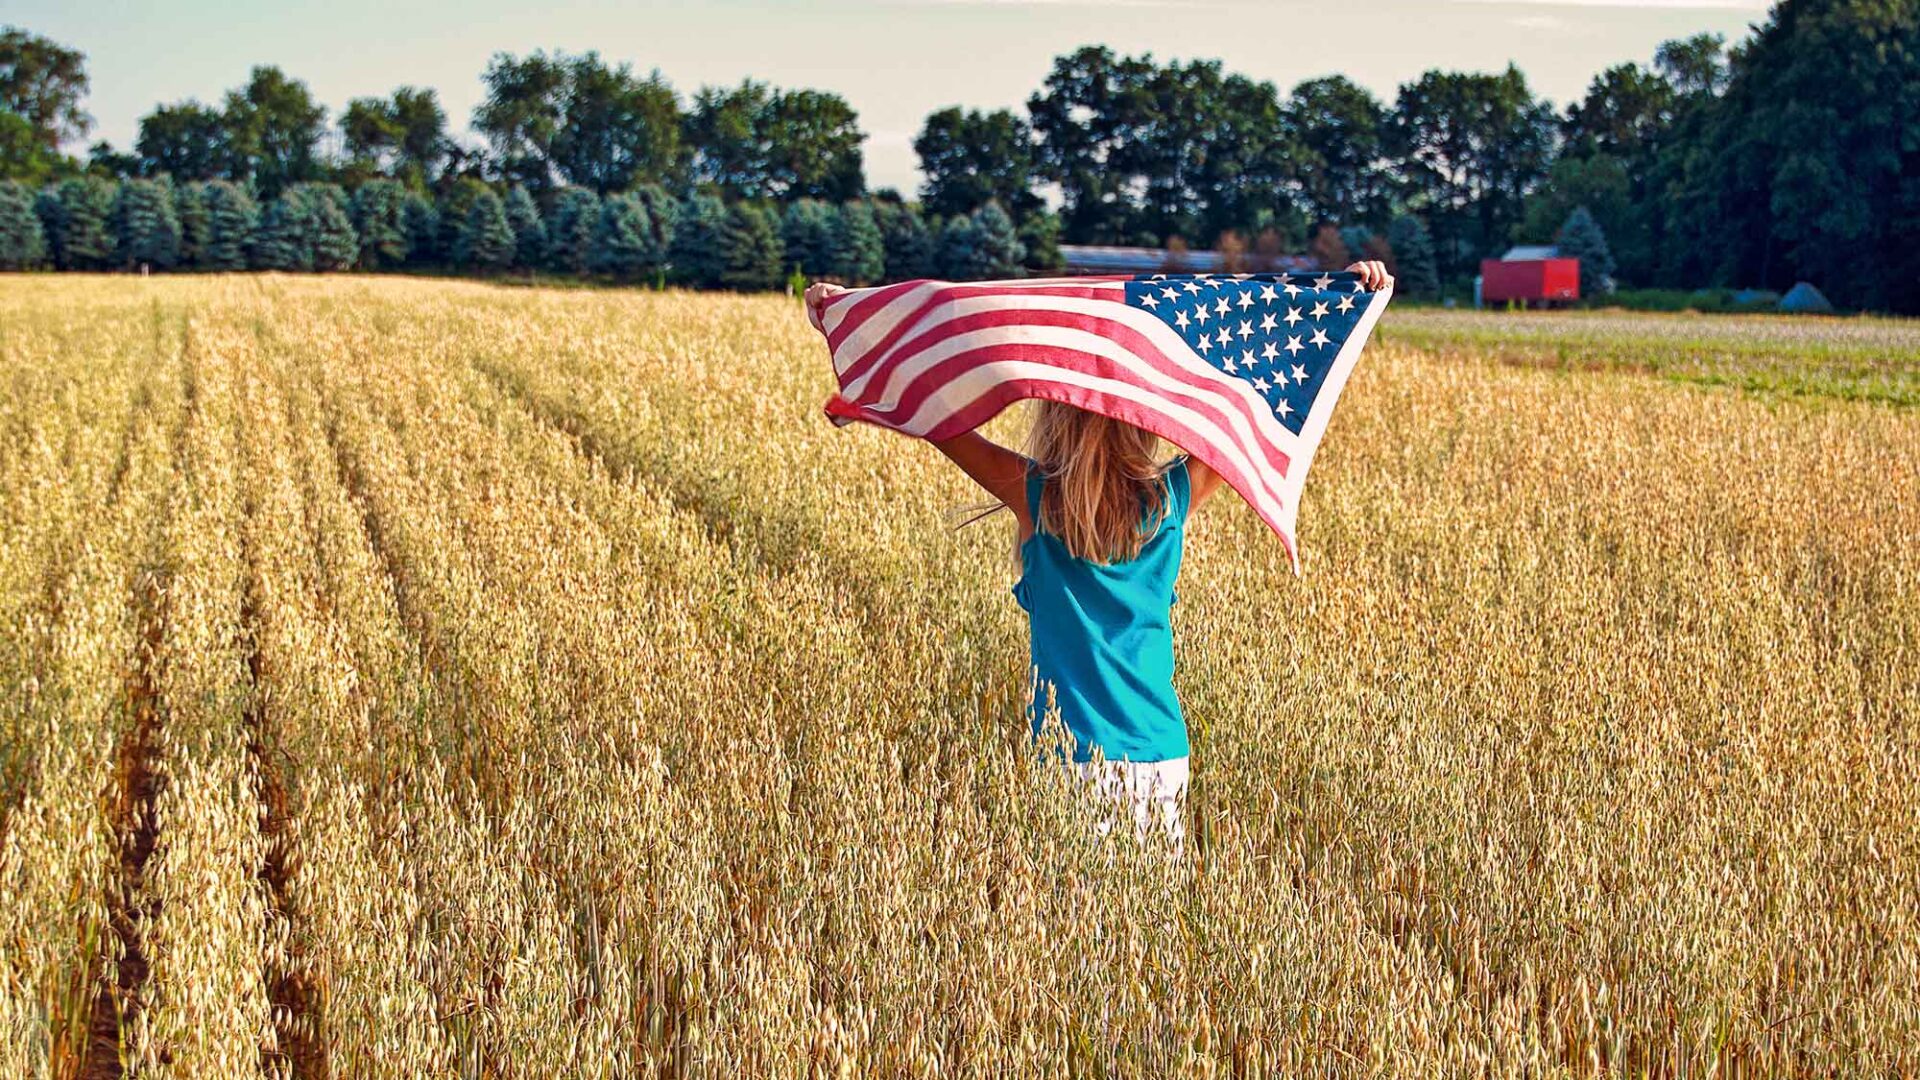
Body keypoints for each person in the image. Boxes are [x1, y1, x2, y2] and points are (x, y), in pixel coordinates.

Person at [806, 261, 1395, 852]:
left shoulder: (1037, 498)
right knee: (1148, 924)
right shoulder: (1168, 502)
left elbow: (941, 426)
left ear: (1055, 415)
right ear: (1148, 424)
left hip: (1069, 757)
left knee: (1075, 922)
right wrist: (1349, 294)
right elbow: (1247, 406)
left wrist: (858, 342)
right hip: (1161, 752)